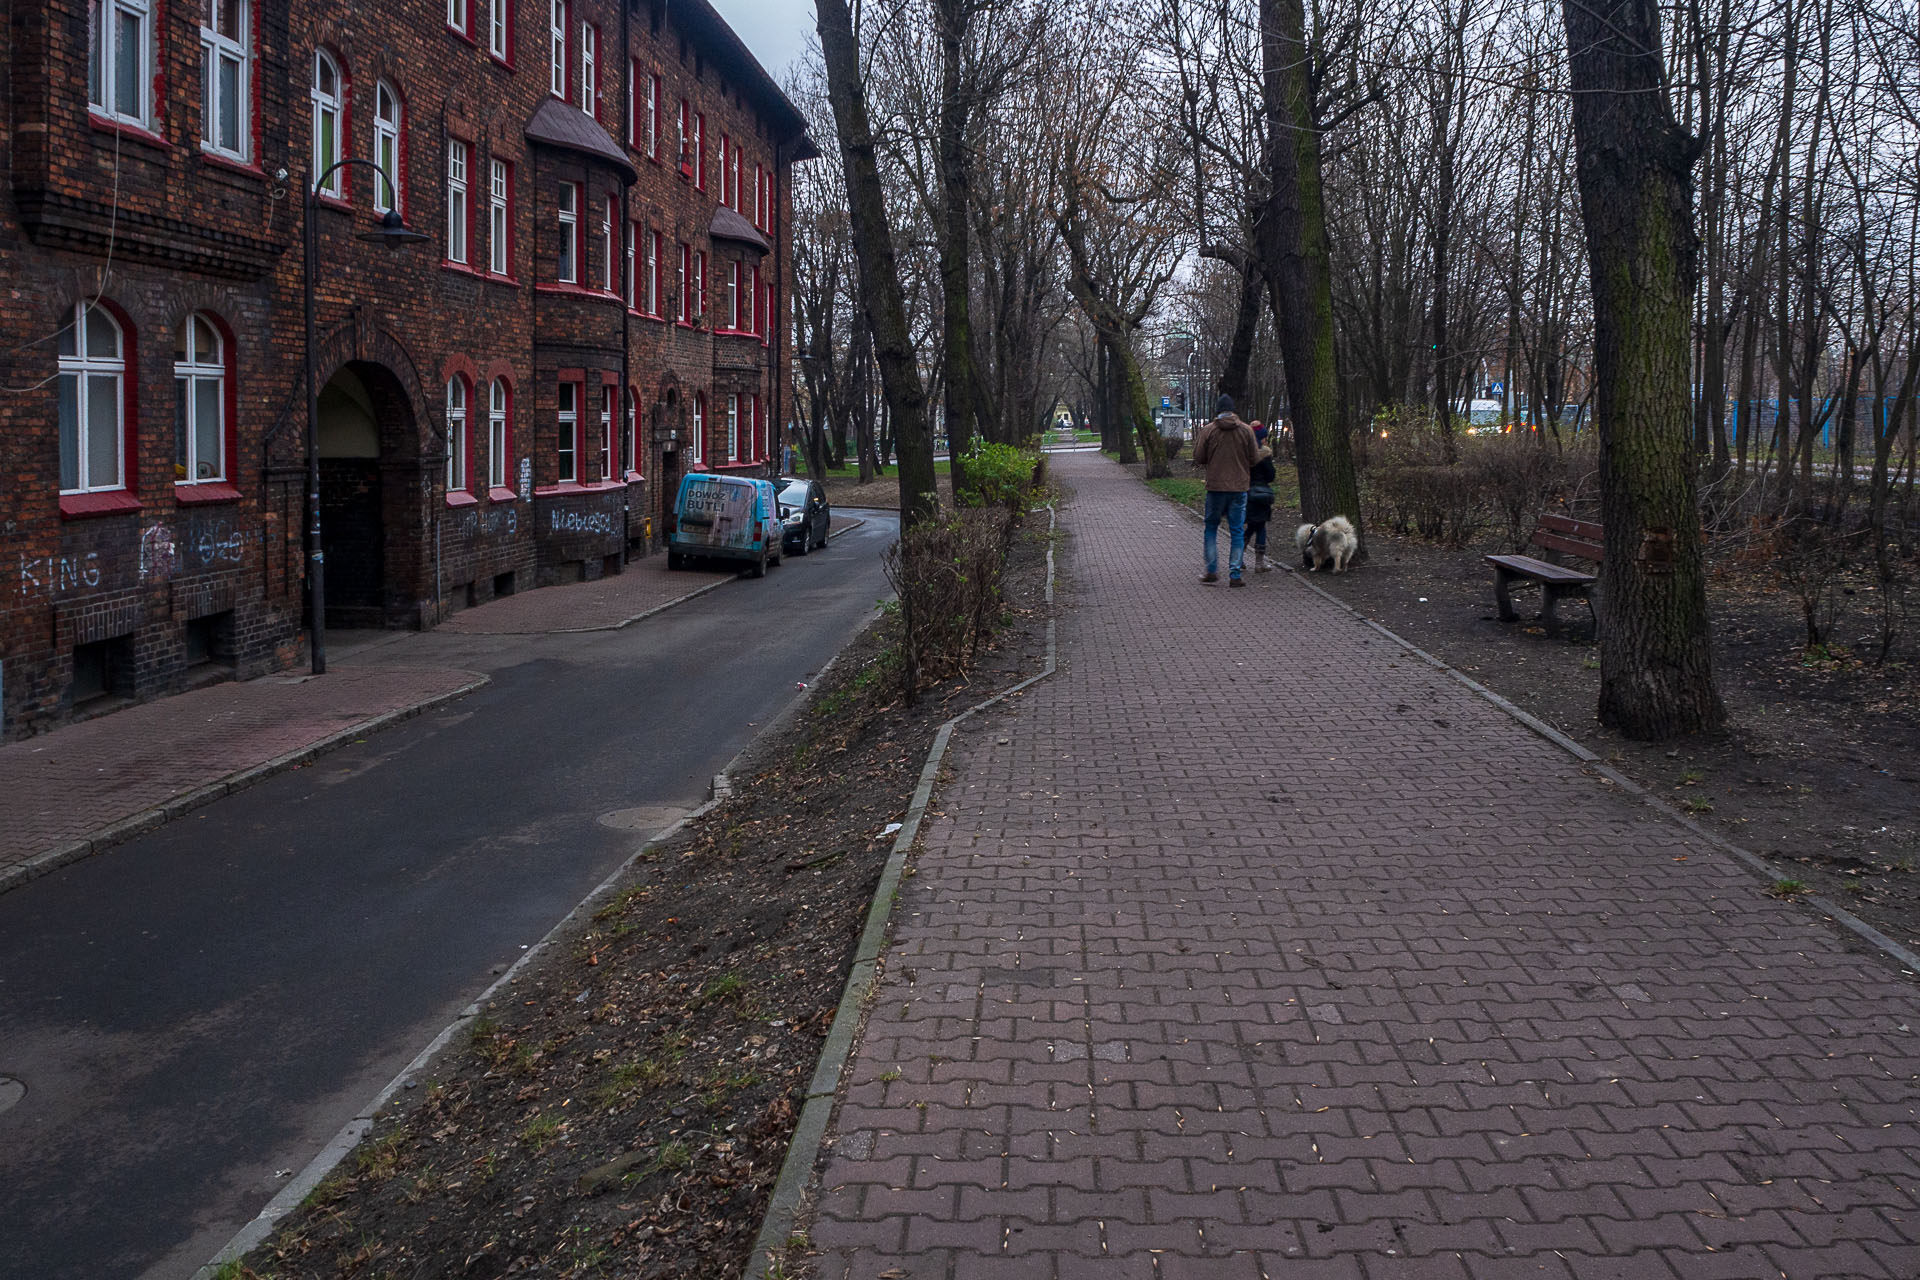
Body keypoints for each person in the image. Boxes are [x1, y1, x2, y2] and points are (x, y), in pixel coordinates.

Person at [1191, 394, 1258, 586]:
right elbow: (1254, 458)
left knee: (1211, 527)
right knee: (1237, 530)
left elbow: (1199, 457)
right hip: (1239, 487)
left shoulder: (1209, 431)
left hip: (1215, 487)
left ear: (1217, 410)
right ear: (1233, 410)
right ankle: (1235, 574)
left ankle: (1211, 569)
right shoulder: (1246, 431)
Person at [1246, 422, 1277, 572]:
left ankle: (1238, 558)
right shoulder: (1265, 454)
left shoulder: (1244, 453)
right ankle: (1259, 563)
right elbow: (1271, 476)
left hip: (1246, 492)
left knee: (1251, 526)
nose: (1265, 440)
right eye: (1264, 437)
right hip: (1262, 494)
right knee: (1260, 527)